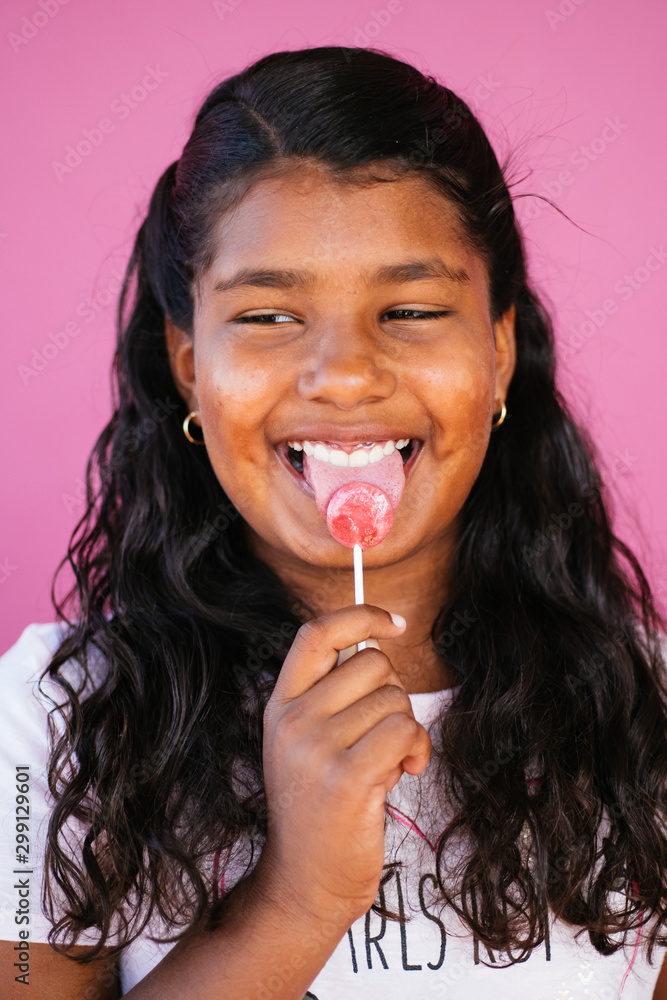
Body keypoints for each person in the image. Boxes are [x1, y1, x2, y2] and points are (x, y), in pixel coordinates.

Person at [1, 45, 666, 1000]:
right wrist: (295, 902)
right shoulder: (48, 726)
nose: (346, 374)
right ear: (189, 365)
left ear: (497, 349)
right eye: (268, 317)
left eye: (409, 308)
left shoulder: (648, 717)